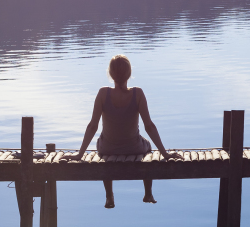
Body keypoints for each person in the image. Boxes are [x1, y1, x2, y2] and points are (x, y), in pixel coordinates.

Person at [62, 54, 180, 208]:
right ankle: (148, 193)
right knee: (148, 146)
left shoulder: (103, 93)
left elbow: (92, 126)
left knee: (104, 154)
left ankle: (109, 196)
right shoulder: (138, 93)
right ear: (129, 74)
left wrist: (79, 154)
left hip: (107, 148)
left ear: (110, 74)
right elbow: (149, 126)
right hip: (134, 147)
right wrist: (165, 154)